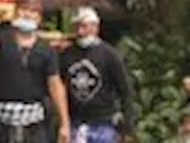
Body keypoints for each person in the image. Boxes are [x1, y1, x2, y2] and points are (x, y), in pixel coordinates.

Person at [0, 0, 70, 143]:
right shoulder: (1, 38)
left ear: (39, 18)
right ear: (16, 12)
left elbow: (55, 85)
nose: (28, 15)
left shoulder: (46, 50)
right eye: (24, 9)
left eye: (33, 11)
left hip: (33, 121)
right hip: (1, 119)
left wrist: (64, 123)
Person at [57, 8, 135, 143]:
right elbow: (58, 86)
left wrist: (127, 125)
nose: (80, 32)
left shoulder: (110, 55)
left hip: (104, 123)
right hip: (76, 122)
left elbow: (124, 90)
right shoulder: (66, 55)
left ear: (95, 27)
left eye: (84, 26)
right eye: (77, 27)